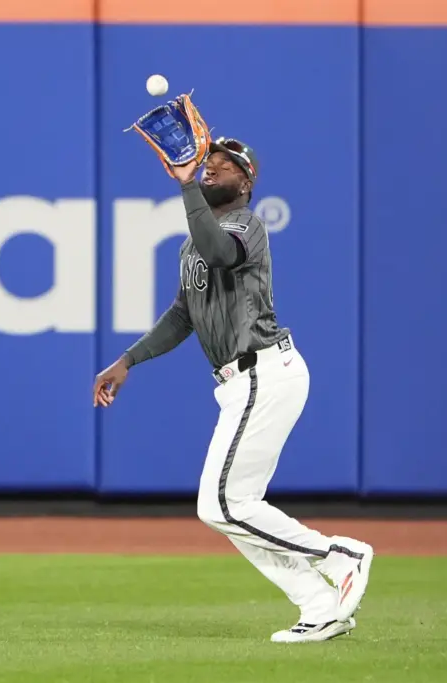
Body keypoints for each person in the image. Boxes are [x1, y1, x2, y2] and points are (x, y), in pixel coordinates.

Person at [93, 138, 375, 643]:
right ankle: (319, 603)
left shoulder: (246, 224)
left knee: (223, 504)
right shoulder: (191, 245)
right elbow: (182, 316)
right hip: (241, 382)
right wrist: (128, 359)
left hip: (264, 370)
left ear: (245, 183)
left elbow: (221, 253)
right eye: (210, 163)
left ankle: (340, 555)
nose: (211, 169)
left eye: (225, 166)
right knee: (231, 507)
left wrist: (186, 187)